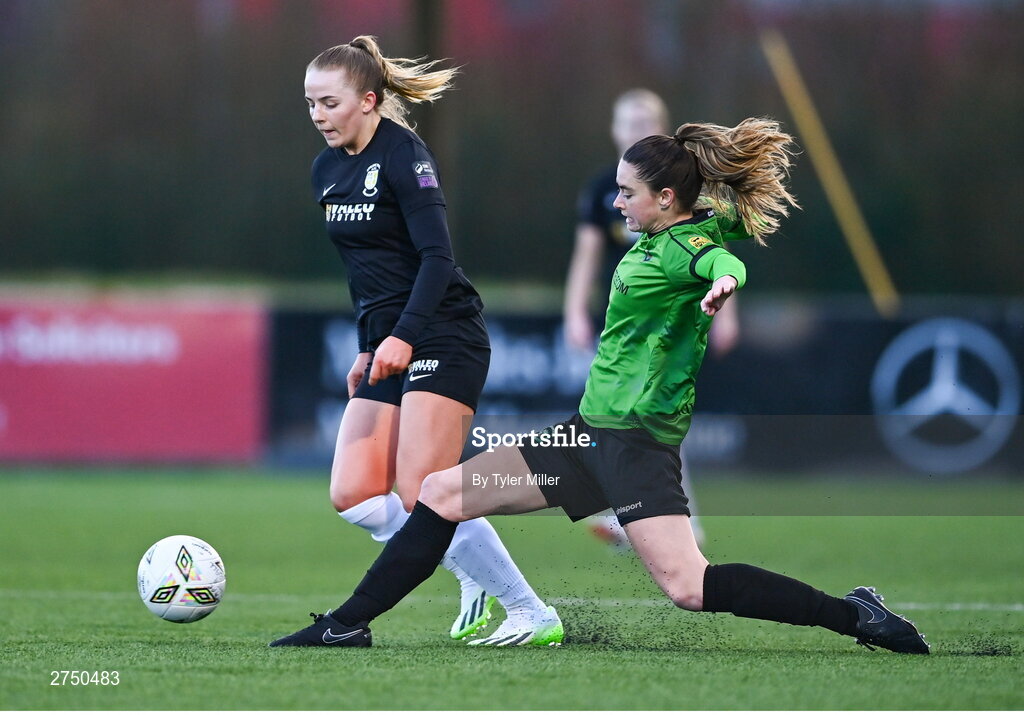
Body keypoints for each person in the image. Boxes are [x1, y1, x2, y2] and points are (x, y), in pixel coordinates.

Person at [271, 117, 930, 655]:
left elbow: (720, 259)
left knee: (690, 586)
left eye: (626, 193)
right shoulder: (669, 232)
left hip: (634, 450)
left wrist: (728, 283)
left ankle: (854, 614)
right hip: (583, 441)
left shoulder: (681, 251)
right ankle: (347, 623)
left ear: (665, 199)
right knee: (442, 491)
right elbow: (720, 230)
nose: (616, 202)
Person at [300, 36, 559, 644]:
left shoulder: (405, 155)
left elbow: (436, 260)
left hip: (444, 330)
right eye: (309, 103)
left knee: (422, 490)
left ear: (368, 101)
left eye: (328, 102)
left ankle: (530, 611)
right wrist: (369, 346)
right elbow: (367, 276)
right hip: (388, 339)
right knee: (355, 492)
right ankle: (465, 566)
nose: (317, 115)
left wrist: (405, 336)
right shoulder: (325, 169)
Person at [563, 89, 739, 548]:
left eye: (646, 121)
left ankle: (669, 522)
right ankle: (643, 517)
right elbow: (586, 254)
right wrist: (574, 312)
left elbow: (715, 254)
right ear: (614, 130)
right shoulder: (605, 189)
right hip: (626, 322)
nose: (635, 129)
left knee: (651, 422)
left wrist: (727, 307)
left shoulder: (680, 193)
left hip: (670, 323)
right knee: (617, 421)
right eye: (628, 121)